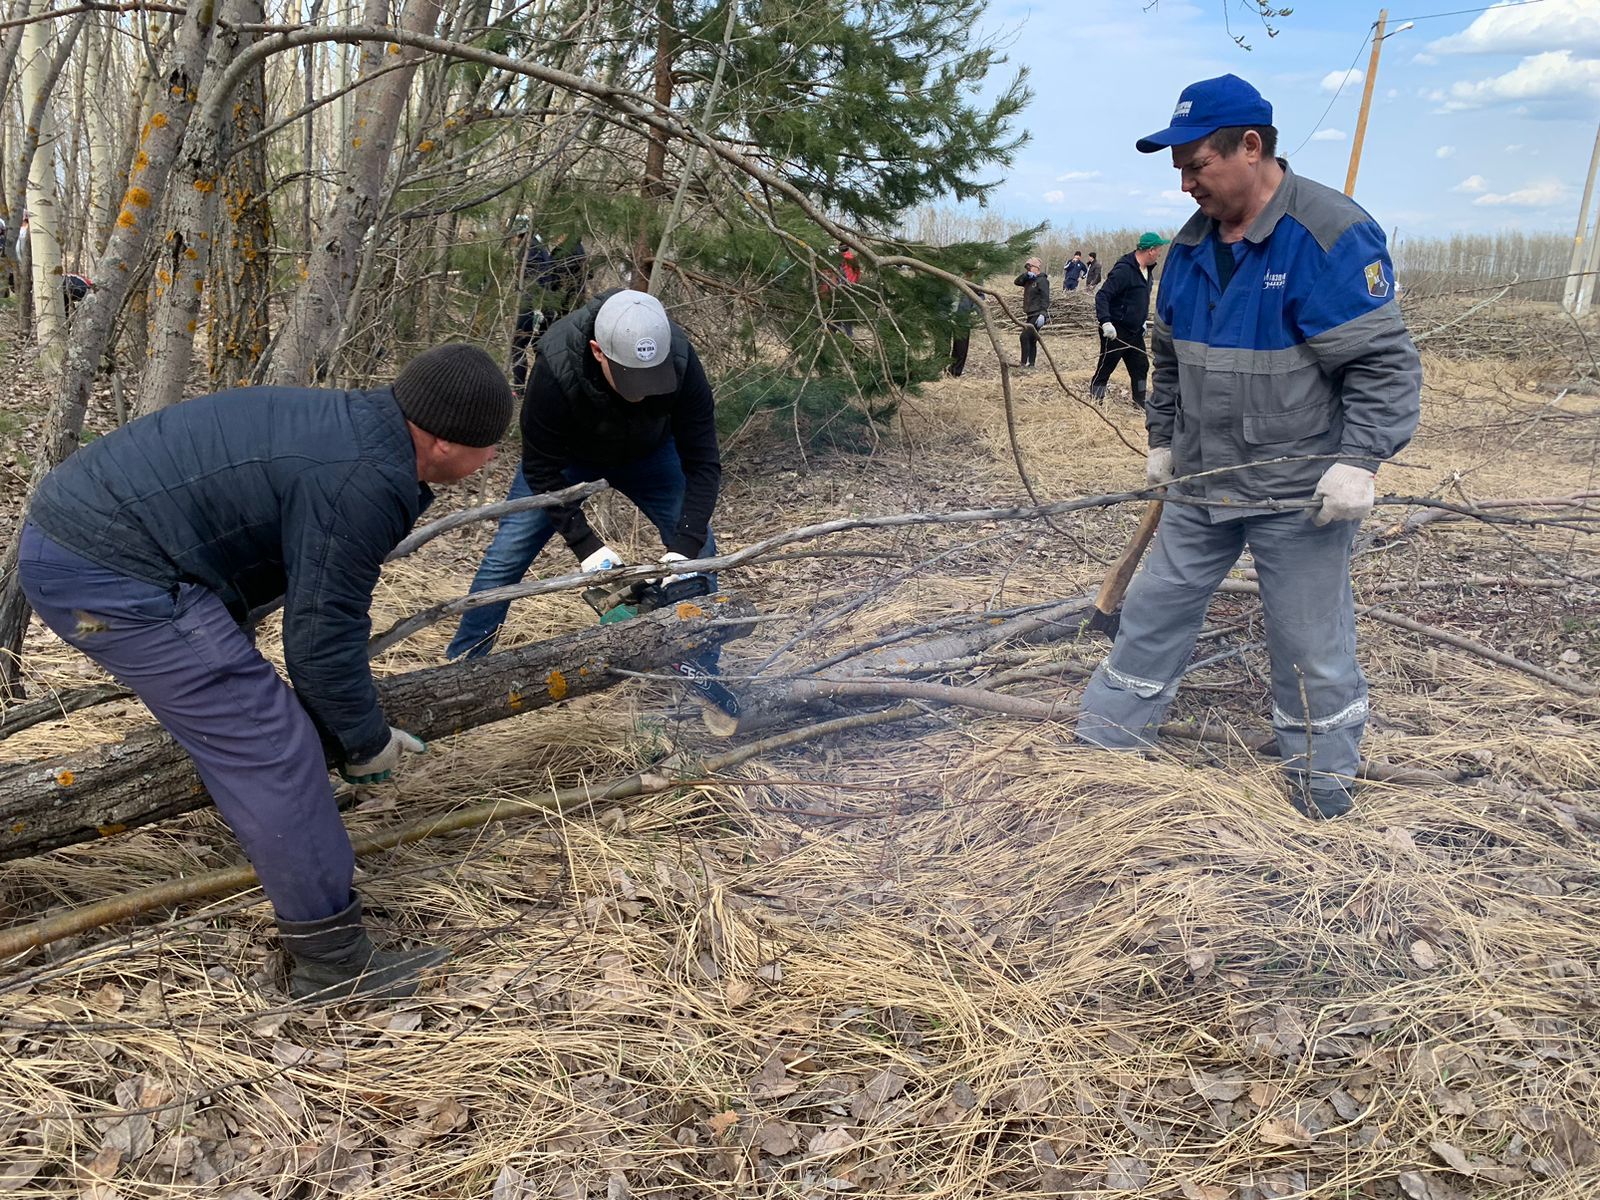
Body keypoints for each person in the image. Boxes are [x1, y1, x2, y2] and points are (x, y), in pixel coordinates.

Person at [18, 345, 514, 999]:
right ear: (446, 443)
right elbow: (320, 639)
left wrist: (343, 729)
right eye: (491, 447)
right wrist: (365, 743)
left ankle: (301, 859)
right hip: (105, 574)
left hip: (98, 542)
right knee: (271, 744)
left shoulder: (361, 429)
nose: (496, 461)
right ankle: (333, 964)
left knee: (264, 723)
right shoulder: (364, 478)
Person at [1075, 74, 1421, 821]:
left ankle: (1321, 780)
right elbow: (1166, 356)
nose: (1185, 182)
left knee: (1308, 639)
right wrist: (1162, 440)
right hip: (1201, 484)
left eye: (1196, 164)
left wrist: (1359, 460)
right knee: (1154, 611)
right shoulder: (1190, 247)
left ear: (1252, 147)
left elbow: (1382, 364)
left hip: (1296, 492)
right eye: (1178, 169)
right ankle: (1106, 744)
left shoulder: (1328, 235)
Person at [447, 289, 721, 661]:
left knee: (700, 552)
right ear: (597, 351)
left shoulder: (681, 360)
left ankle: (702, 666)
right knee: (505, 556)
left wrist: (684, 550)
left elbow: (703, 460)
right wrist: (587, 548)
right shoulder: (555, 367)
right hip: (566, 460)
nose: (638, 394)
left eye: (650, 379)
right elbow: (540, 466)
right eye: (629, 379)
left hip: (651, 454)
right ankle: (463, 666)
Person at [1090, 232, 1168, 408]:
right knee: (1105, 368)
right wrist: (1106, 322)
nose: (1159, 254)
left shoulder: (1147, 271)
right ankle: (1095, 404)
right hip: (1116, 330)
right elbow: (1102, 296)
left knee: (1141, 366)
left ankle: (1140, 403)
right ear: (1150, 250)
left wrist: (1141, 321)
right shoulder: (1124, 270)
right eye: (1158, 250)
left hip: (1134, 332)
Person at [509, 223, 588, 391]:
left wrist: (539, 306)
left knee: (519, 344)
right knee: (540, 345)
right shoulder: (547, 248)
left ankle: (520, 386)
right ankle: (535, 384)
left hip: (536, 305)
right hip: (550, 306)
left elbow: (541, 279)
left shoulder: (533, 249)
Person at [1013, 256, 1049, 369]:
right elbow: (1017, 282)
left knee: (1024, 337)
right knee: (1032, 339)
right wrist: (1026, 275)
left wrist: (1043, 313)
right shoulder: (1028, 280)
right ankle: (1031, 365)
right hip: (1029, 314)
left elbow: (1045, 298)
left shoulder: (1042, 280)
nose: (1028, 269)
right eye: (1027, 267)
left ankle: (1023, 364)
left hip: (1037, 314)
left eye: (1030, 267)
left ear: (1036, 268)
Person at [949, 290, 979, 378]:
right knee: (943, 345)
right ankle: (940, 369)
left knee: (961, 347)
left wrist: (974, 309)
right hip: (945, 313)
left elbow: (980, 296)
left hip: (963, 316)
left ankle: (955, 372)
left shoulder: (975, 276)